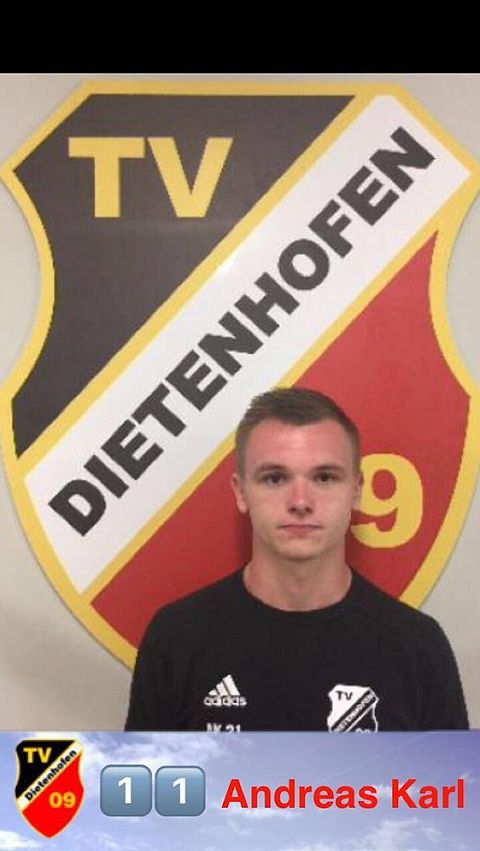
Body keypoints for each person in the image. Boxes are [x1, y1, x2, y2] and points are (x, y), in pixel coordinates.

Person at [125, 387, 468, 732]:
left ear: (356, 490)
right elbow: (144, 770)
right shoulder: (176, 639)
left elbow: (450, 770)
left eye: (324, 477)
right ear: (241, 492)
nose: (300, 502)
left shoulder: (417, 647)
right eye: (275, 478)